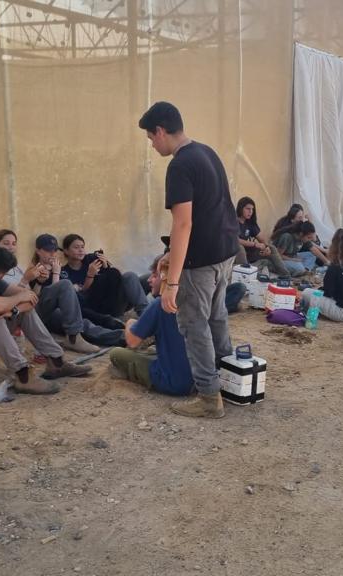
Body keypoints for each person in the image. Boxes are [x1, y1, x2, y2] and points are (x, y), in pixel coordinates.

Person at [139, 101, 238, 418]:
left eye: (151, 138)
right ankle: (228, 379)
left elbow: (183, 223)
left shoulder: (180, 165)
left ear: (161, 130)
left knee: (194, 326)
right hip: (224, 252)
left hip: (202, 260)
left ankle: (209, 397)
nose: (152, 145)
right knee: (217, 317)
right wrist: (170, 253)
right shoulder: (206, 152)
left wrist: (172, 281)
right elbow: (214, 207)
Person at [0, 247, 92, 395]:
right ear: (0, 274)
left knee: (23, 312)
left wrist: (14, 310)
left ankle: (56, 361)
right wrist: (16, 299)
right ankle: (22, 375)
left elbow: (32, 298)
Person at [0, 229, 123, 351]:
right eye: (6, 243)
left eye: (14, 243)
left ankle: (122, 337)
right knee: (66, 287)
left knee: (84, 323)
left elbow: (34, 296)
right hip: (20, 314)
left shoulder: (17, 268)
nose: (11, 247)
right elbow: (7, 300)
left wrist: (39, 282)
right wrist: (27, 280)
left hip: (37, 308)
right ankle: (76, 337)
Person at [108, 256, 193, 396]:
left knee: (116, 353)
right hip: (200, 378)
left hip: (174, 383)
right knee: (154, 349)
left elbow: (132, 341)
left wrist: (130, 323)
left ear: (165, 276)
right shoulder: (196, 296)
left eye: (154, 275)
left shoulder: (160, 304)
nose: (149, 280)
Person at [60, 234, 149, 319]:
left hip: (117, 299)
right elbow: (82, 297)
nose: (81, 250)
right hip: (100, 307)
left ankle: (145, 314)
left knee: (135, 276)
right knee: (112, 275)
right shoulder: (64, 272)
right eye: (76, 247)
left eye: (82, 247)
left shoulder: (91, 259)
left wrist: (106, 266)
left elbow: (115, 278)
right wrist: (90, 275)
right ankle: (122, 317)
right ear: (66, 251)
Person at [234, 196, 290, 277]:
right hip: (235, 253)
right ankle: (245, 275)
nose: (251, 212)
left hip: (249, 252)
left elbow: (262, 238)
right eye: (248, 209)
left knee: (272, 248)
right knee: (239, 247)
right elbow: (235, 240)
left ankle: (286, 276)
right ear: (240, 208)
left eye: (252, 209)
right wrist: (254, 244)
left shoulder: (250, 223)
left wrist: (266, 247)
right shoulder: (233, 221)